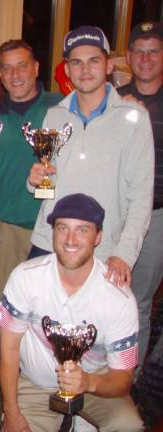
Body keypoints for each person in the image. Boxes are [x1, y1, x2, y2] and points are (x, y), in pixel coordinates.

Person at [0, 193, 144, 432]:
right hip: (36, 385)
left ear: (98, 237)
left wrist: (89, 383)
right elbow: (9, 350)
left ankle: (82, 419)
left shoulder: (120, 299)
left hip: (96, 384)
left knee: (129, 426)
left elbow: (123, 379)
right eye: (62, 228)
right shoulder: (24, 277)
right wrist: (11, 411)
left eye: (82, 230)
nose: (71, 239)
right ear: (52, 232)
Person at [28, 26, 154, 289]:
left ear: (109, 65)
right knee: (36, 325)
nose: (85, 70)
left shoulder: (134, 118)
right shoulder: (55, 115)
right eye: (76, 62)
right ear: (67, 70)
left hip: (103, 250)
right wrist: (35, 181)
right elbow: (46, 187)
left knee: (95, 329)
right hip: (49, 243)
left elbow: (141, 196)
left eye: (93, 61)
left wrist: (124, 254)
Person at [0, 39, 63, 299]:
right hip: (5, 232)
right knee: (5, 311)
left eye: (22, 66)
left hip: (56, 229)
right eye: (7, 68)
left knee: (51, 312)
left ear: (36, 68)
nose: (15, 75)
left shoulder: (61, 109)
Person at [118, 21, 163, 369]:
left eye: (154, 51)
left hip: (158, 217)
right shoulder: (115, 102)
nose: (146, 58)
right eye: (140, 51)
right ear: (129, 57)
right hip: (116, 213)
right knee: (108, 296)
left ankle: (127, 380)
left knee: (139, 302)